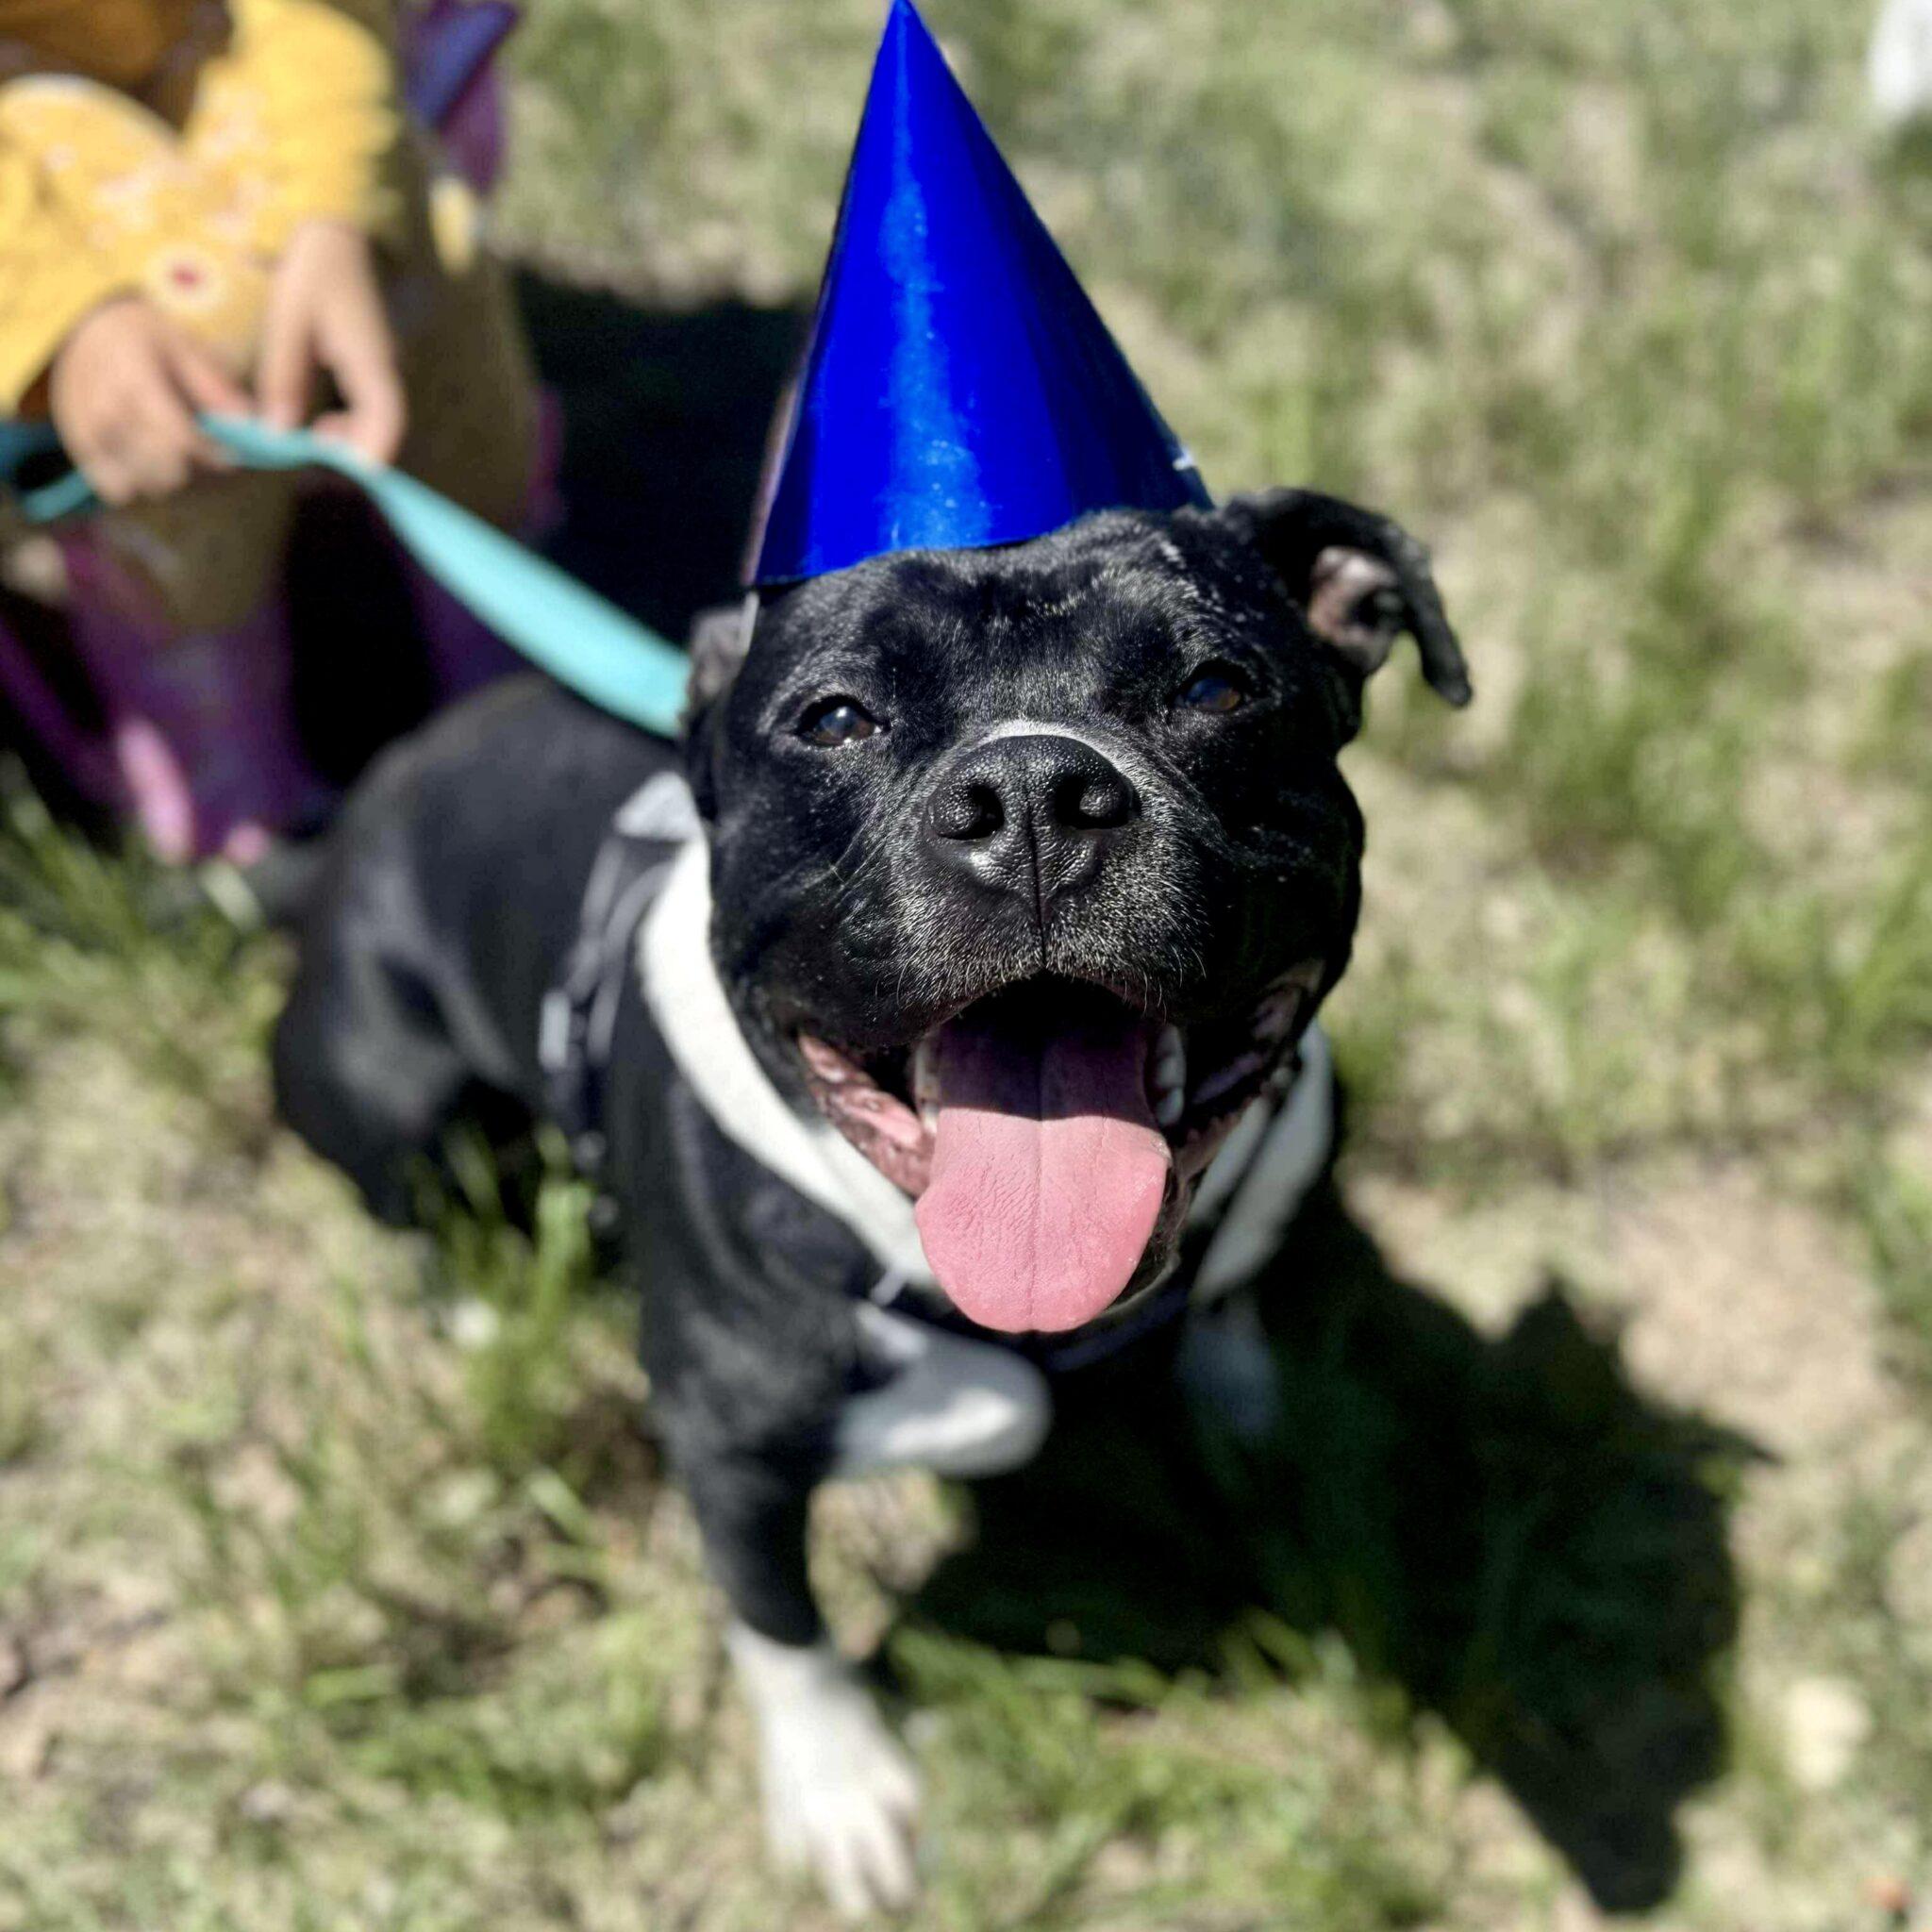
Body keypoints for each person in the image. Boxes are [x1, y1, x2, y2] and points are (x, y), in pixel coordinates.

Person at [0, 0, 545, 861]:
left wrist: (337, 206)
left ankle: (502, 647)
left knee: (425, 238)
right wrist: (59, 315)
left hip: (220, 35)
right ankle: (214, 742)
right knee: (196, 354)